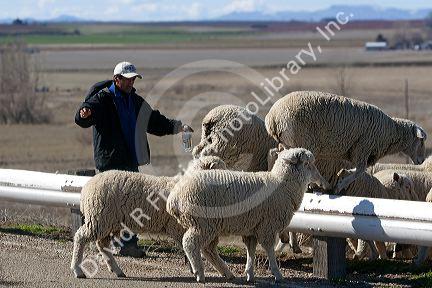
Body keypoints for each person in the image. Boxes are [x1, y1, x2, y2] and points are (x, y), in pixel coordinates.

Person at [75, 61, 192, 257]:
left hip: (130, 159)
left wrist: (177, 126)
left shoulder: (135, 101)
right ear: (117, 79)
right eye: (127, 80)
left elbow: (154, 121)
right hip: (111, 162)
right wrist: (84, 114)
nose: (131, 83)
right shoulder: (103, 99)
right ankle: (107, 241)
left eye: (133, 80)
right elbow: (85, 114)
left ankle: (127, 244)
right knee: (111, 205)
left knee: (132, 204)